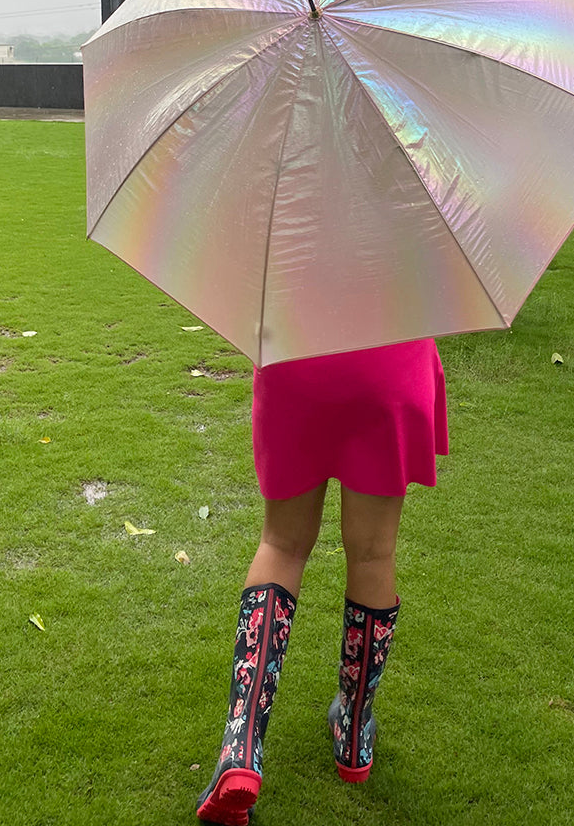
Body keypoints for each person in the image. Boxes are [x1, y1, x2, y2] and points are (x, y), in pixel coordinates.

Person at [195, 337, 448, 826]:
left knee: (282, 546)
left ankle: (241, 745)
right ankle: (354, 732)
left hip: (297, 359)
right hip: (390, 361)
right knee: (374, 555)